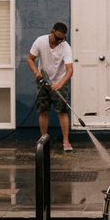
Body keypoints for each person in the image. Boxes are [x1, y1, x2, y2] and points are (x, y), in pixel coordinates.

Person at [26, 21, 74, 150]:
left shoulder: (66, 47)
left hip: (60, 82)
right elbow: (30, 58)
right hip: (43, 81)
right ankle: (44, 140)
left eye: (62, 39)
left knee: (62, 112)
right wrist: (36, 72)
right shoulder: (40, 41)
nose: (59, 41)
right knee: (43, 111)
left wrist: (59, 84)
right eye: (57, 38)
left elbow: (69, 70)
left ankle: (66, 142)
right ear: (51, 31)